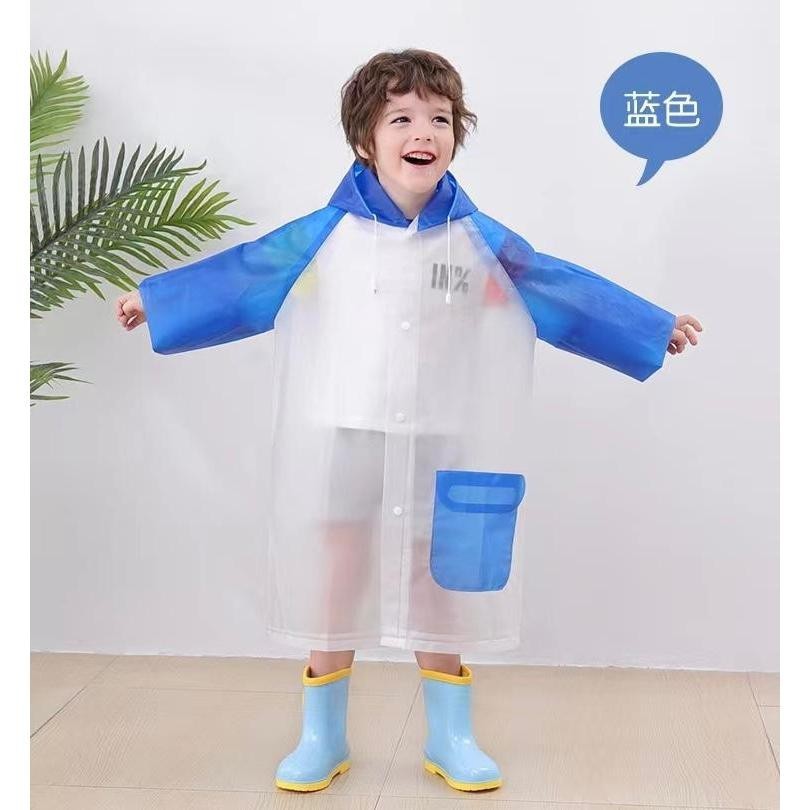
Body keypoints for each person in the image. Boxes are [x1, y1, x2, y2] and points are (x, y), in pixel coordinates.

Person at [115, 49, 702, 794]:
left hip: (441, 437)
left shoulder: (480, 240)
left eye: (439, 118)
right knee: (335, 576)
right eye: (401, 118)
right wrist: (156, 302)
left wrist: (648, 328)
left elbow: (557, 288)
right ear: (366, 140)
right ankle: (322, 736)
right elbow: (244, 275)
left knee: (439, 582)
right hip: (344, 431)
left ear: (456, 135)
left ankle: (451, 737)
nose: (423, 131)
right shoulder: (324, 235)